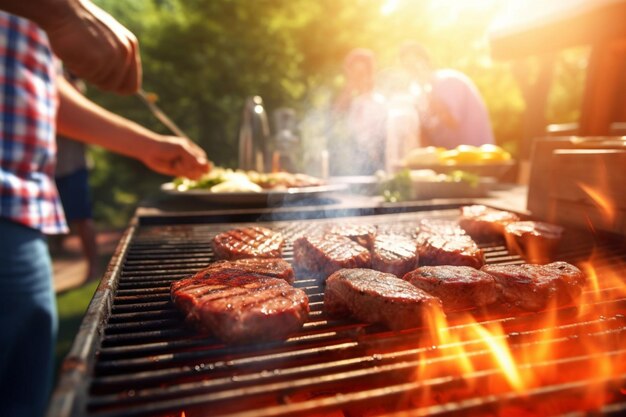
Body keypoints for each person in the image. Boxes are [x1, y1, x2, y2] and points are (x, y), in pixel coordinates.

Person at [0, 3, 210, 416]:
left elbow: (38, 91)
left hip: (20, 211)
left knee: (22, 397)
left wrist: (148, 145)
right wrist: (61, 10)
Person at [397, 41, 495, 149]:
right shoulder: (418, 92)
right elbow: (426, 133)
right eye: (407, 66)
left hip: (477, 156)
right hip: (452, 159)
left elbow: (453, 122)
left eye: (414, 63)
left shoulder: (447, 81)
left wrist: (433, 101)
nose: (412, 69)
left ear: (426, 61)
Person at [54, 75, 99, 282]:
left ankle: (93, 268)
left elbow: (75, 116)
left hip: (72, 164)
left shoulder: (72, 83)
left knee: (82, 217)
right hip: (47, 168)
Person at [332, 48, 387, 175]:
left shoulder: (380, 102)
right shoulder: (353, 102)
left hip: (375, 166)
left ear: (371, 73)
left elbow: (382, 142)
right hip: (351, 164)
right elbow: (335, 115)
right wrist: (349, 87)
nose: (358, 78)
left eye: (361, 73)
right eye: (353, 73)